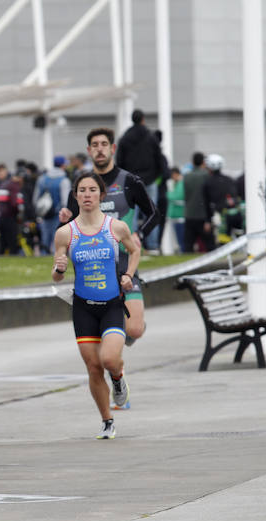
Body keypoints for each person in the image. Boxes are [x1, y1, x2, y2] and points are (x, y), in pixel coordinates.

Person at [53, 172, 141, 439]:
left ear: (101, 195)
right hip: (83, 308)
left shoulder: (115, 227)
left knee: (109, 359)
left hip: (112, 304)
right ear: (76, 195)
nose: (87, 194)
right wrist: (59, 269)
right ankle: (107, 420)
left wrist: (128, 275)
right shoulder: (65, 233)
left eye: (92, 190)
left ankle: (117, 377)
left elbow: (134, 250)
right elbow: (57, 274)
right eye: (82, 190)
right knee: (93, 367)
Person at [59, 127, 155, 352]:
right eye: (95, 146)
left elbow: (154, 212)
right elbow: (67, 228)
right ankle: (112, 334)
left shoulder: (129, 181)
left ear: (112, 149)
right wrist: (63, 221)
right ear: (88, 150)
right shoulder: (81, 184)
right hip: (93, 266)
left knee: (135, 330)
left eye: (104, 145)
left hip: (123, 263)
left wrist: (140, 234)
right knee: (101, 338)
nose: (99, 150)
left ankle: (123, 330)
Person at [115, 109, 165, 250]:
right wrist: (157, 174)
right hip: (149, 180)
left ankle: (133, 245)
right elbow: (159, 158)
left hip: (131, 181)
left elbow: (119, 161)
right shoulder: (151, 137)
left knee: (132, 214)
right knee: (152, 213)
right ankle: (153, 245)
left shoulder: (125, 138)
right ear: (143, 119)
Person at [36, 155, 71, 254]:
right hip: (58, 214)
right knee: (58, 238)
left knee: (45, 238)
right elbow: (65, 200)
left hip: (44, 213)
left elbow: (36, 198)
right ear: (62, 165)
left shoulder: (42, 179)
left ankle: (43, 255)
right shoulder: (64, 180)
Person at [182, 152, 213, 253]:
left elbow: (186, 195)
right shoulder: (206, 175)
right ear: (203, 162)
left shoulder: (186, 176)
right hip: (203, 214)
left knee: (188, 245)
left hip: (189, 213)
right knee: (209, 245)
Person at [166, 167, 186, 252]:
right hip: (176, 216)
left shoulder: (181, 184)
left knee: (181, 238)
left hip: (179, 216)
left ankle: (182, 251)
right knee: (178, 239)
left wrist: (167, 194)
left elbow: (177, 197)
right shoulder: (177, 183)